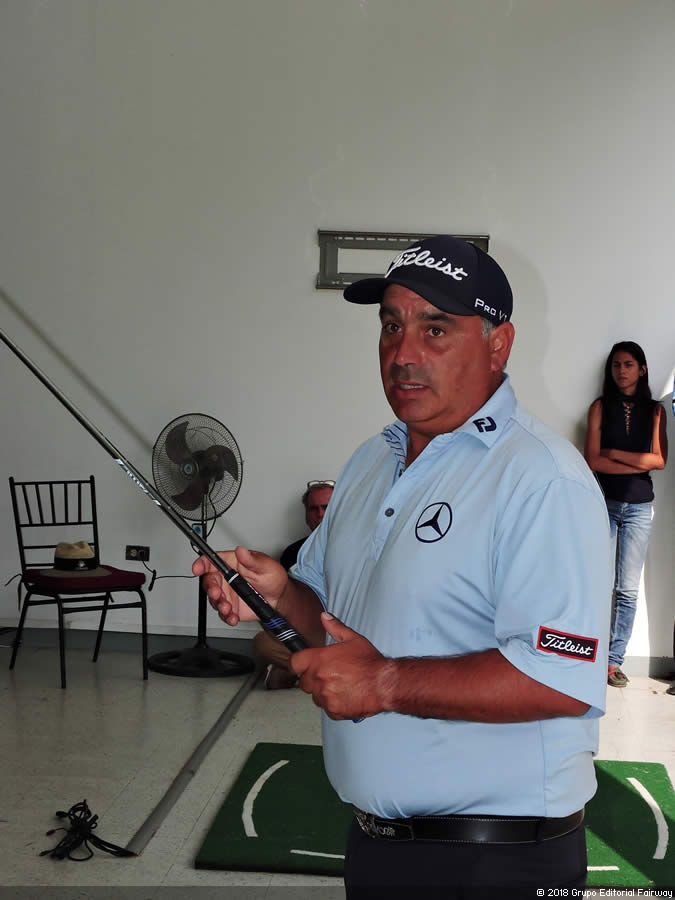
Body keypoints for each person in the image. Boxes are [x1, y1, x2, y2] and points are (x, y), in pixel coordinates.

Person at [194, 235, 612, 897]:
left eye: (435, 329)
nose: (403, 353)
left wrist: (383, 683)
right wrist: (277, 596)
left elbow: (560, 677)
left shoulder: (540, 479)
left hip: (496, 864)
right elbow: (329, 620)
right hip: (377, 846)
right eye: (391, 326)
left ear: (498, 345)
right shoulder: (370, 461)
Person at [584, 342, 668, 689]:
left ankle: (613, 662)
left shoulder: (656, 410)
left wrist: (615, 453)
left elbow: (659, 460)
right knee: (597, 583)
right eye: (616, 365)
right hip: (603, 503)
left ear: (642, 369)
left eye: (629, 364)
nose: (621, 371)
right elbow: (592, 460)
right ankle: (589, 656)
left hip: (638, 509)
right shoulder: (600, 407)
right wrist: (637, 462)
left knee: (627, 589)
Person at [254, 480, 334, 689]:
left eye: (326, 507)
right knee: (262, 642)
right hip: (301, 633)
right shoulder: (292, 553)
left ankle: (300, 668)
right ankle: (312, 668)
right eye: (314, 509)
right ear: (306, 515)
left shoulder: (357, 548)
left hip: (342, 632)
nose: (320, 514)